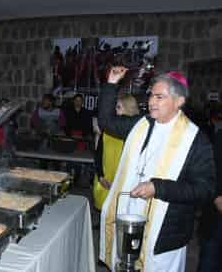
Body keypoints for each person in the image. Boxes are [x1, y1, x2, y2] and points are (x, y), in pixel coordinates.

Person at [98, 67, 215, 272]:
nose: (151, 101)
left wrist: (158, 188)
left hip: (164, 232)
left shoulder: (196, 140)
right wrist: (111, 84)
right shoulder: (141, 125)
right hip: (128, 218)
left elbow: (204, 190)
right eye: (151, 95)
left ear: (179, 101)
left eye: (159, 97)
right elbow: (106, 122)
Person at [93, 94, 139, 211]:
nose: (115, 110)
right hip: (104, 178)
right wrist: (101, 176)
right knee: (104, 208)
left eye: (118, 107)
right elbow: (98, 154)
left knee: (120, 209)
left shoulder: (136, 132)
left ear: (128, 108)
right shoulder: (108, 128)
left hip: (123, 182)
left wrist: (119, 181)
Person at [197, 128, 222, 272]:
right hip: (217, 213)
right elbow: (211, 169)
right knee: (210, 260)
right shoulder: (220, 136)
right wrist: (217, 196)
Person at [64, 94, 93, 185]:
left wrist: (83, 135)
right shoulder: (68, 112)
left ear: (82, 102)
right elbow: (66, 125)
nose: (78, 102)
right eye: (76, 100)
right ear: (73, 101)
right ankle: (67, 178)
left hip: (82, 137)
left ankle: (77, 178)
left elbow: (89, 126)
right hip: (71, 136)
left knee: (79, 157)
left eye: (80, 100)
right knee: (70, 157)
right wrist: (70, 135)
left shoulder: (87, 112)